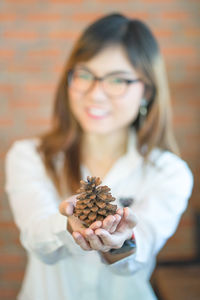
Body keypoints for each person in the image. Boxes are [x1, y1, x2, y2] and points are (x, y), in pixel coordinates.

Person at [5, 12, 193, 300]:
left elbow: (143, 247)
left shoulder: (169, 172)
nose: (95, 94)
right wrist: (67, 226)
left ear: (147, 92)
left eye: (117, 81)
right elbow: (36, 236)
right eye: (84, 75)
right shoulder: (29, 156)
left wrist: (119, 244)